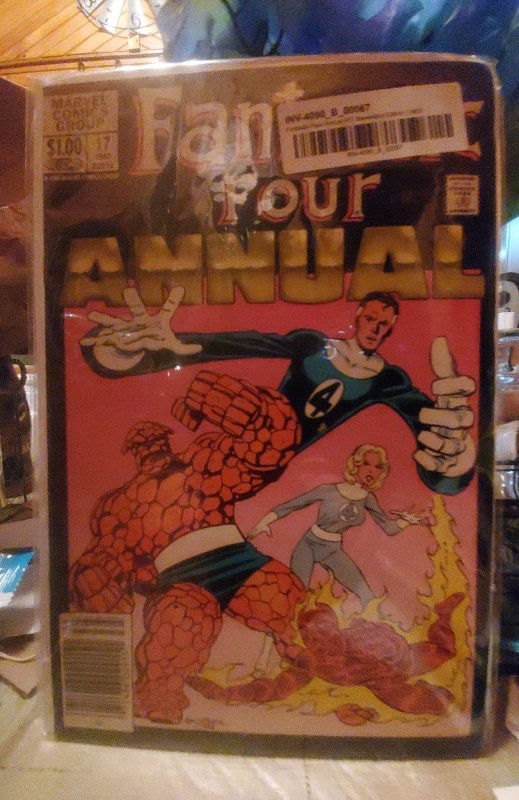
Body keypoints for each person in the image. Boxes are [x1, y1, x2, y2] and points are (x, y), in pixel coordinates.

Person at [80, 286, 476, 495]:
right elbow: (245, 343)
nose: (375, 327)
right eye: (370, 318)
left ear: (390, 330)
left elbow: (432, 432)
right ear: (358, 317)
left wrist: (453, 460)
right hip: (244, 438)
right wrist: (156, 350)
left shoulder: (387, 379)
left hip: (272, 465)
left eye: (383, 324)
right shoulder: (312, 344)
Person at [250, 444, 424, 606]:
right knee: (297, 595)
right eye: (366, 464)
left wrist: (406, 521)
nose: (372, 470)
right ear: (355, 465)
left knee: (366, 595)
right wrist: (263, 522)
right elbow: (293, 505)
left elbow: (389, 528)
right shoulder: (329, 490)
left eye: (378, 467)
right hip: (308, 545)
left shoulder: (368, 499)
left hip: (333, 549)